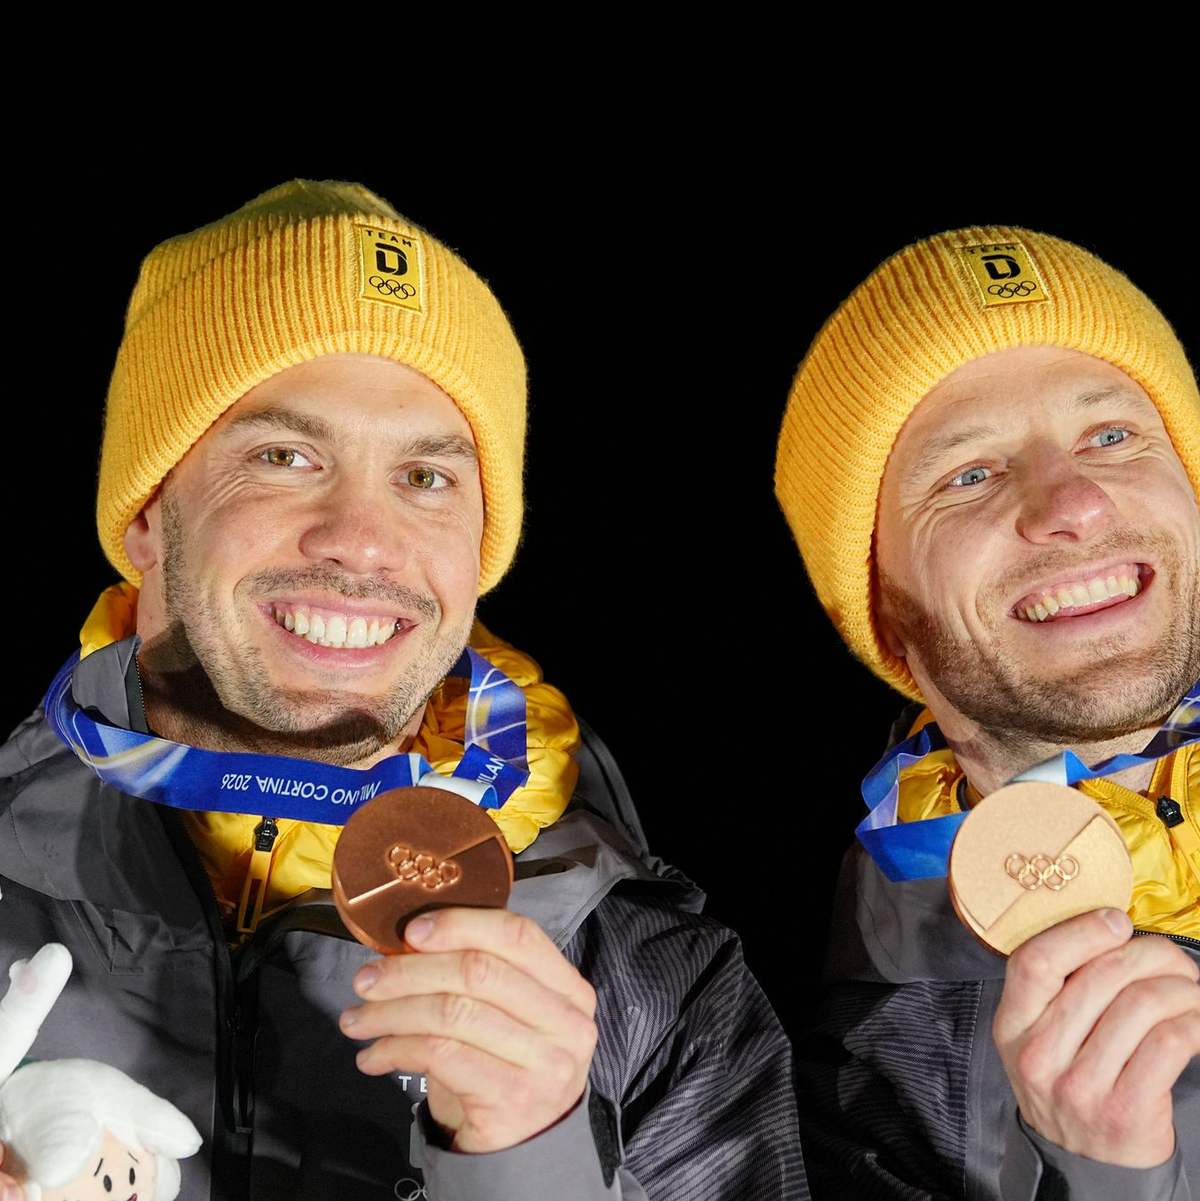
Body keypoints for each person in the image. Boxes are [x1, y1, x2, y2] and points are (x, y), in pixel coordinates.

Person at [0, 180, 804, 1200]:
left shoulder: (652, 978)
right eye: (284, 456)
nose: (364, 541)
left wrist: (530, 1164)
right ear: (146, 517)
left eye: (426, 477)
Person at [775, 226, 1200, 1199]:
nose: (1074, 502)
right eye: (970, 473)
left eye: (1112, 435)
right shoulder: (866, 1097)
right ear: (881, 608)